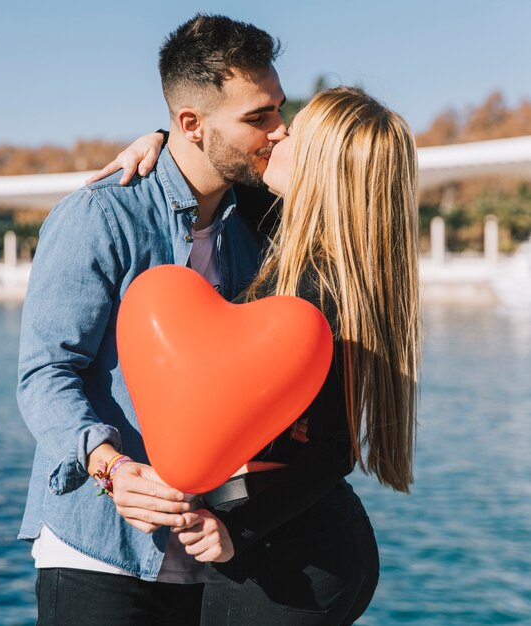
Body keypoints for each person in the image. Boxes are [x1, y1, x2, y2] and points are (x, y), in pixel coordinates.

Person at [90, 86, 421, 625]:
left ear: (318, 167)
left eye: (292, 132)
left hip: (286, 560)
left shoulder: (320, 289)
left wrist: (234, 533)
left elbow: (332, 451)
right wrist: (162, 138)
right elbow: (214, 162)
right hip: (303, 546)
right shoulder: (300, 242)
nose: (276, 134)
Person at [16, 14, 288, 626]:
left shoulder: (257, 230)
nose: (279, 130)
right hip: (99, 553)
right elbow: (45, 373)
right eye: (258, 117)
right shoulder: (100, 215)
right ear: (189, 124)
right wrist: (111, 467)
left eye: (277, 109)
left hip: (214, 556)